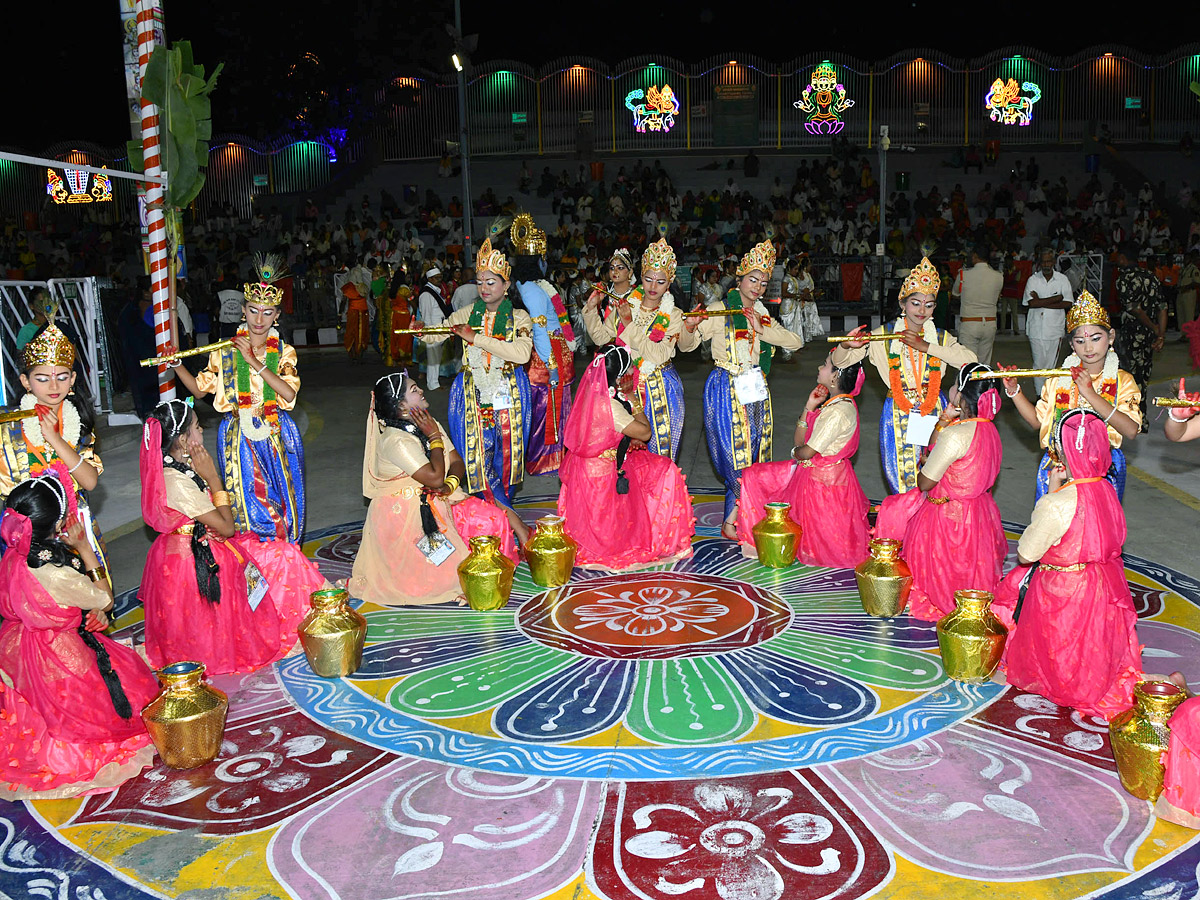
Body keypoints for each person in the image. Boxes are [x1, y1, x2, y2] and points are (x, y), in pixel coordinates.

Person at [138, 400, 329, 675]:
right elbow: (226, 527)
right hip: (194, 566)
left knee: (279, 554)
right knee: (278, 560)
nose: (202, 430)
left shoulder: (181, 469)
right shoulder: (175, 480)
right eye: (196, 427)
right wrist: (214, 478)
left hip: (203, 549)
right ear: (183, 440)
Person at [0, 475, 158, 800]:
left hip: (20, 645)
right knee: (105, 704)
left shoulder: (14, 555)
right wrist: (85, 548)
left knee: (35, 708)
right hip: (61, 652)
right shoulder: (56, 572)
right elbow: (105, 599)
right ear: (58, 523)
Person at [994, 410, 1142, 721]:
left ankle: (1060, 681)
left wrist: (1050, 492)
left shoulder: (1058, 503)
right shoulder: (1107, 489)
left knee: (1023, 607)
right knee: (1090, 650)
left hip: (1063, 591)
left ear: (1063, 453)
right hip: (1102, 585)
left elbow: (1026, 553)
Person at [167, 255, 307, 543]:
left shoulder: (284, 351)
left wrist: (253, 361)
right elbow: (198, 389)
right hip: (236, 436)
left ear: (277, 315)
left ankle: (284, 558)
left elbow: (288, 393)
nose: (259, 320)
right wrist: (176, 364)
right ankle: (252, 561)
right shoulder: (224, 350)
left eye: (267, 313)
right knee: (244, 500)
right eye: (253, 310)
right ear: (243, 310)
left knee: (279, 500)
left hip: (275, 431)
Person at [349, 373, 520, 606]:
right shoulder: (396, 440)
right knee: (442, 576)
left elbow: (456, 462)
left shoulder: (429, 423)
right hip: (406, 516)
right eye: (414, 390)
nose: (420, 391)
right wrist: (433, 437)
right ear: (401, 405)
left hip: (442, 499)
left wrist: (449, 486)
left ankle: (495, 572)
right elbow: (434, 477)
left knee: (493, 519)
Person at [682, 241, 803, 537]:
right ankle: (732, 519)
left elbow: (796, 342)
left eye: (763, 283)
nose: (758, 288)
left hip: (755, 389)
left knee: (754, 456)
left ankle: (736, 519)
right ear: (739, 279)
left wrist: (763, 329)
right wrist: (689, 327)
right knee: (734, 456)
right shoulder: (719, 310)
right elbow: (686, 348)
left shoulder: (761, 315)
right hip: (725, 387)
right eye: (753, 280)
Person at [831, 257, 978, 493]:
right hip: (898, 411)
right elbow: (840, 363)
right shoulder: (883, 336)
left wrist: (927, 347)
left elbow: (970, 361)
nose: (922, 311)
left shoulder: (940, 338)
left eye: (929, 305)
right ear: (903, 304)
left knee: (936, 473)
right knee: (903, 478)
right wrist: (847, 346)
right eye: (916, 303)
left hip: (936, 411)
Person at [874, 363, 1007, 621]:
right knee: (971, 573)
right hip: (979, 515)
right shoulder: (989, 429)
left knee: (897, 515)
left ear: (961, 394)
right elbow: (936, 447)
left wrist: (927, 464)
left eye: (955, 384)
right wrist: (944, 419)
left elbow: (924, 483)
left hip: (946, 519)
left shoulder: (956, 435)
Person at [417, 239, 533, 517]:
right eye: (480, 281)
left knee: (506, 458)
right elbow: (438, 334)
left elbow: (521, 354)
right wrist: (422, 331)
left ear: (506, 285)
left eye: (491, 282)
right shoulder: (467, 313)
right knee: (476, 458)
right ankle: (496, 515)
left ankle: (502, 513)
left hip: (510, 392)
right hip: (472, 394)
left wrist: (476, 338)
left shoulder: (519, 318)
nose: (484, 288)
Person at [558, 346, 694, 571]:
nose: (633, 370)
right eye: (630, 367)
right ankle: (659, 536)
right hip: (603, 474)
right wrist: (634, 400)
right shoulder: (610, 405)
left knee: (652, 466)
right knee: (665, 469)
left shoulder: (592, 393)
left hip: (587, 467)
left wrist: (624, 440)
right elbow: (645, 432)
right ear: (620, 376)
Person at [1002, 290, 1140, 500]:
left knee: (1095, 530)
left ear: (1110, 337)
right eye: (1080, 341)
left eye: (1096, 338)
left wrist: (1089, 393)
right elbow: (1037, 422)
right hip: (1058, 467)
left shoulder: (1123, 381)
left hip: (1102, 470)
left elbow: (1130, 430)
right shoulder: (1060, 379)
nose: (1089, 347)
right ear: (1071, 344)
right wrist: (1014, 391)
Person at [735, 355, 869, 568]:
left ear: (835, 376)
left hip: (823, 482)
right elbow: (800, 441)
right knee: (755, 474)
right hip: (813, 474)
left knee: (756, 477)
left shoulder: (838, 411)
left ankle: (752, 534)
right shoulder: (832, 405)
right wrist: (809, 406)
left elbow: (806, 452)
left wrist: (796, 454)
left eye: (825, 364)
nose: (819, 366)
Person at [1, 320, 105, 565]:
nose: (54, 386)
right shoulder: (9, 427)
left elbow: (89, 482)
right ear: (26, 382)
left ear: (72, 379)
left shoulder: (78, 423)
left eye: (61, 376)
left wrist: (55, 439)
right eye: (42, 378)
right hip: (24, 531)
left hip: (73, 528)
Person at [583, 239, 688, 459]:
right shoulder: (628, 303)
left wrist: (629, 325)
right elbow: (603, 338)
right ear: (640, 277)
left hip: (659, 388)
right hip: (627, 386)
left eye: (660, 282)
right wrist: (591, 310)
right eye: (648, 279)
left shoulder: (675, 314)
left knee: (661, 451)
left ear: (669, 283)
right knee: (625, 455)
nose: (652, 287)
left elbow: (659, 355)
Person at [510, 214, 576, 477]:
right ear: (538, 260)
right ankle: (545, 458)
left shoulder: (529, 285)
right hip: (546, 356)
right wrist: (551, 366)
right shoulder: (534, 289)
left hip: (547, 352)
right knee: (547, 408)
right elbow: (539, 329)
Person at [1115, 243, 1167, 431]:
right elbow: (1162, 307)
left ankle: (1132, 420)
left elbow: (1134, 309)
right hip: (1149, 338)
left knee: (1127, 377)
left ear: (1123, 258)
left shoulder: (1124, 279)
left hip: (1131, 336)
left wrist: (1154, 328)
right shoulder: (1151, 276)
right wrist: (1160, 334)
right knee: (1142, 379)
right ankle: (1141, 420)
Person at [1022, 249, 1075, 395]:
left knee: (1051, 365)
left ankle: (1048, 395)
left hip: (1054, 330)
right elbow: (1031, 303)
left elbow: (1068, 303)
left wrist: (1040, 301)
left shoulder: (1062, 279)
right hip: (1035, 329)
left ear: (1053, 262)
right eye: (1043, 261)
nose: (1046, 264)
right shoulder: (1033, 280)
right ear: (1039, 263)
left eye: (1048, 261)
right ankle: (1040, 396)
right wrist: (1056, 298)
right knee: (1039, 364)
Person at [952, 245, 1003, 365]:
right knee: (984, 364)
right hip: (990, 323)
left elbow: (955, 293)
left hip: (970, 322)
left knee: (967, 363)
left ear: (975, 256)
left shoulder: (964, 275)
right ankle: (984, 383)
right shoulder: (999, 276)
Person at [417, 266, 453, 390]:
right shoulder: (427, 294)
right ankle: (432, 384)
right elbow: (426, 315)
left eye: (440, 277)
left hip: (439, 328)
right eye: (437, 278)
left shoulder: (435, 291)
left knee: (436, 357)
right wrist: (430, 333)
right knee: (433, 358)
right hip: (432, 329)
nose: (440, 280)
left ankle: (434, 381)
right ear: (430, 279)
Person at [341, 274, 372, 363]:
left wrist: (340, 314)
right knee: (361, 333)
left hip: (354, 313)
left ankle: (354, 354)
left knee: (353, 333)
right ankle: (358, 354)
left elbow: (343, 301)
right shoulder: (363, 288)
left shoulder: (349, 288)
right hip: (361, 312)